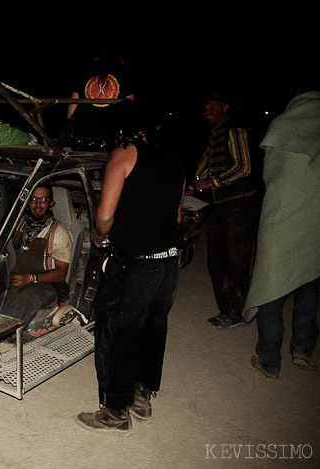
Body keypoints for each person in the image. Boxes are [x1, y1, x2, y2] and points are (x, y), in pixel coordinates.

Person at [76, 120, 186, 435]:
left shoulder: (124, 154)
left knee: (116, 333)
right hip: (168, 264)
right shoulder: (176, 158)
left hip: (135, 264)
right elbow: (176, 215)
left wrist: (98, 236)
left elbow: (106, 214)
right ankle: (142, 396)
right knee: (154, 327)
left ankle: (114, 411)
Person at [243, 77, 320, 378]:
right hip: (315, 223)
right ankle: (303, 350)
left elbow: (271, 177)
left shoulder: (283, 125)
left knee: (270, 289)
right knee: (309, 285)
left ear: (295, 94)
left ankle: (269, 360)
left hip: (282, 219)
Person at [192, 91, 261, 329]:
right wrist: (192, 184)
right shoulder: (214, 135)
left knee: (237, 259)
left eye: (213, 106)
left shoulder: (235, 131)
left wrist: (210, 183)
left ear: (225, 108)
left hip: (240, 202)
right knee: (216, 257)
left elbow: (244, 167)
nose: (207, 111)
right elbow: (204, 165)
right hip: (221, 203)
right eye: (205, 107)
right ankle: (229, 310)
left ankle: (241, 312)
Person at [1, 185, 72, 337]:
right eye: (33, 199)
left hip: (46, 283)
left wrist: (30, 278)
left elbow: (61, 273)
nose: (38, 205)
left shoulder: (58, 232)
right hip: (14, 275)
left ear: (51, 204)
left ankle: (1, 337)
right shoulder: (16, 224)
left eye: (43, 200)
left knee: (23, 300)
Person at [60, 46, 136, 152]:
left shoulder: (84, 75)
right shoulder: (126, 76)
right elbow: (129, 113)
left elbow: (71, 112)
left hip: (81, 139)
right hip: (111, 141)